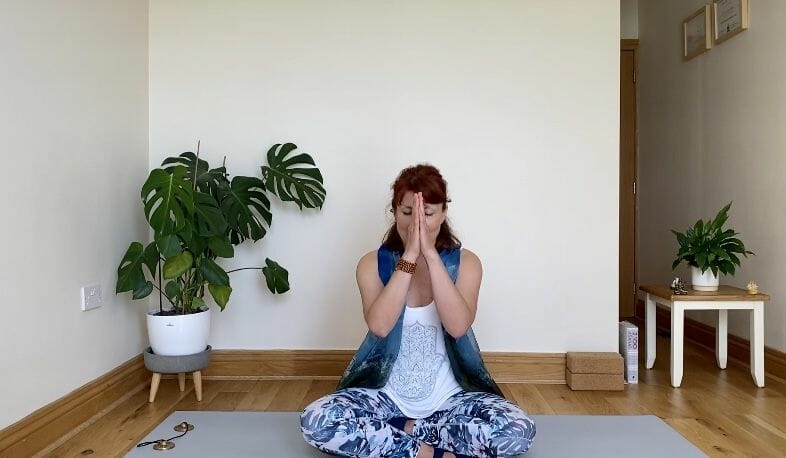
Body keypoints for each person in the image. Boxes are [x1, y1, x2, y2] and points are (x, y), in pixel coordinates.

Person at [301, 164, 536, 457]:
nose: (417, 224)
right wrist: (410, 255)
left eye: (428, 214)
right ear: (394, 211)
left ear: (443, 213)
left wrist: (430, 254)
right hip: (384, 397)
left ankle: (406, 431)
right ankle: (432, 452)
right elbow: (380, 326)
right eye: (407, 212)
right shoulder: (371, 264)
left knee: (518, 430)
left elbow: (458, 326)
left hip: (451, 401)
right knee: (316, 422)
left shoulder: (467, 264)